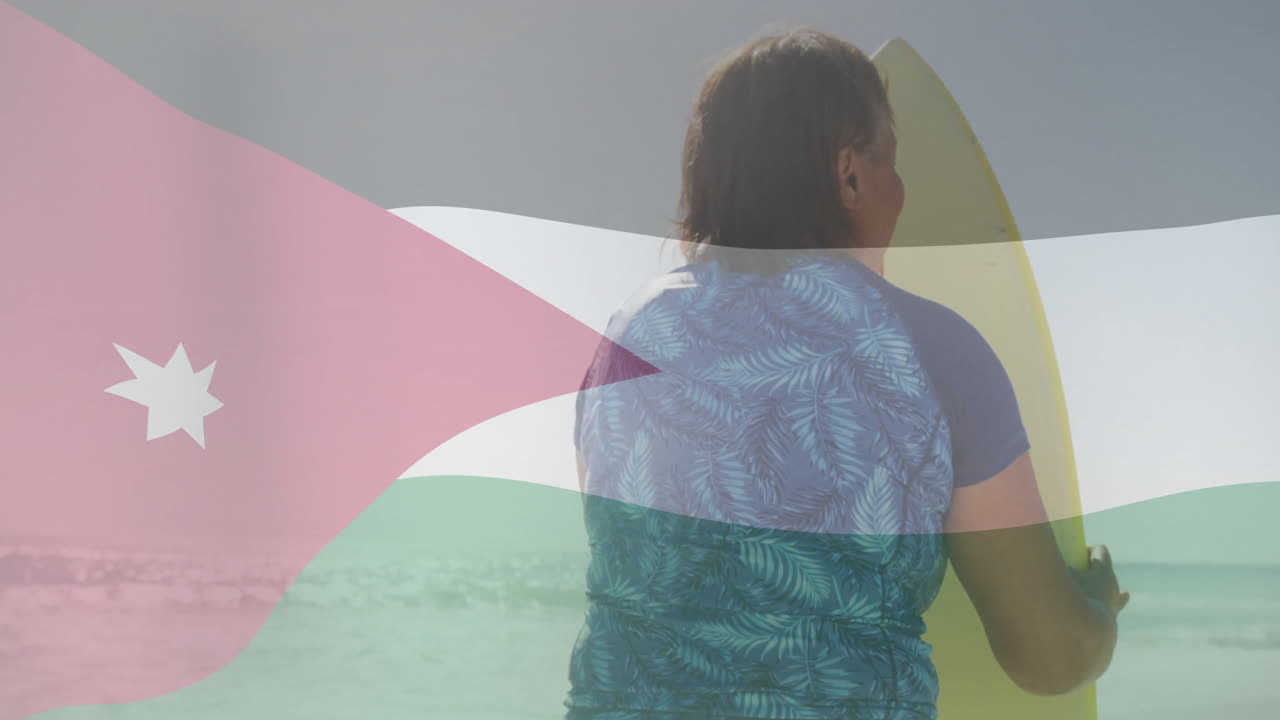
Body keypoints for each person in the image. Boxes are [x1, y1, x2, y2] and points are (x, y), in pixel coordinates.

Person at [564, 28, 1128, 720]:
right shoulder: (930, 347)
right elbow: (1050, 657)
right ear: (851, 174)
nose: (901, 189)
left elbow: (639, 568)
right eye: (891, 161)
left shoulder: (623, 341)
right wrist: (1096, 613)